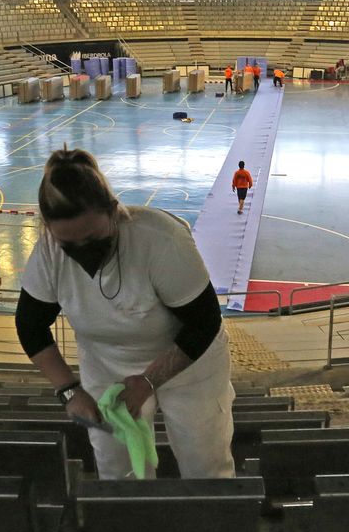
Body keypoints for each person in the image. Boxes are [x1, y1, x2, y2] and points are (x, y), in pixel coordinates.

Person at [14, 148, 235, 479]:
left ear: (113, 211)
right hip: (107, 364)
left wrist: (149, 381)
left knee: (204, 461)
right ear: (50, 230)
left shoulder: (161, 240)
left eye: (92, 238)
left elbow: (204, 322)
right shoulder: (48, 252)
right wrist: (69, 390)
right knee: (117, 467)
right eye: (69, 245)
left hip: (190, 361)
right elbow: (30, 326)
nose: (83, 252)